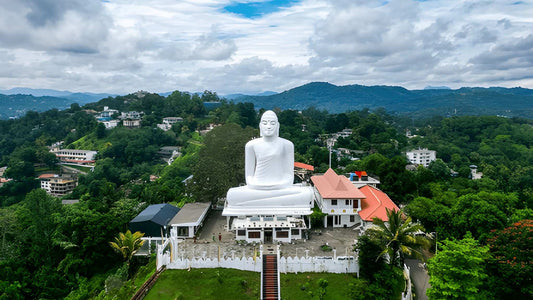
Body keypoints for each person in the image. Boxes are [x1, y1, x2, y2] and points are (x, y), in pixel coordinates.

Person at [225, 110, 312, 208]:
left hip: (280, 188)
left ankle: (263, 200)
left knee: (306, 194)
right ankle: (269, 200)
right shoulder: (251, 145)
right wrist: (256, 185)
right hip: (256, 188)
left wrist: (278, 185)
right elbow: (249, 176)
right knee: (232, 195)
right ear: (260, 125)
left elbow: (289, 176)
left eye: (272, 123)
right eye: (265, 123)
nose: (269, 126)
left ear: (277, 126)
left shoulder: (287, 145)